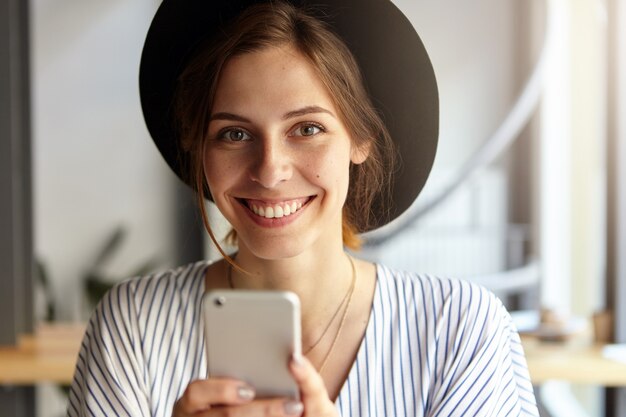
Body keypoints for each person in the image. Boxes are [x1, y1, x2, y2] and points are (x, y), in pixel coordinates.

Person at [67, 0, 539, 416]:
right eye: (234, 134)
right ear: (199, 148)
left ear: (361, 138)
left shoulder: (460, 330)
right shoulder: (132, 328)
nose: (270, 171)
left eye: (307, 129)